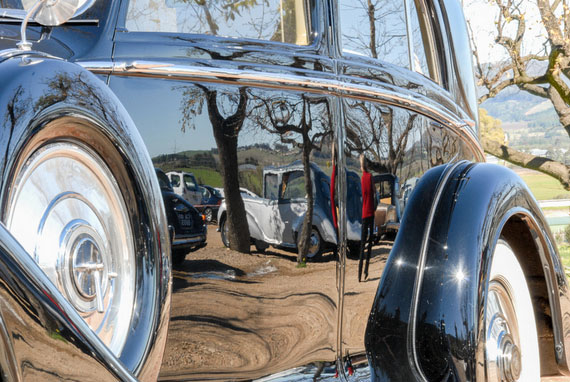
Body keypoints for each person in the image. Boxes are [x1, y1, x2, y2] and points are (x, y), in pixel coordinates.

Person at [359, 154, 375, 282]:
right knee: (370, 243)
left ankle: (359, 272)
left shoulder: (362, 179)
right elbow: (374, 194)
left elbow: (362, 196)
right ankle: (366, 269)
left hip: (364, 214)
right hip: (371, 213)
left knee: (362, 242)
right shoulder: (371, 177)